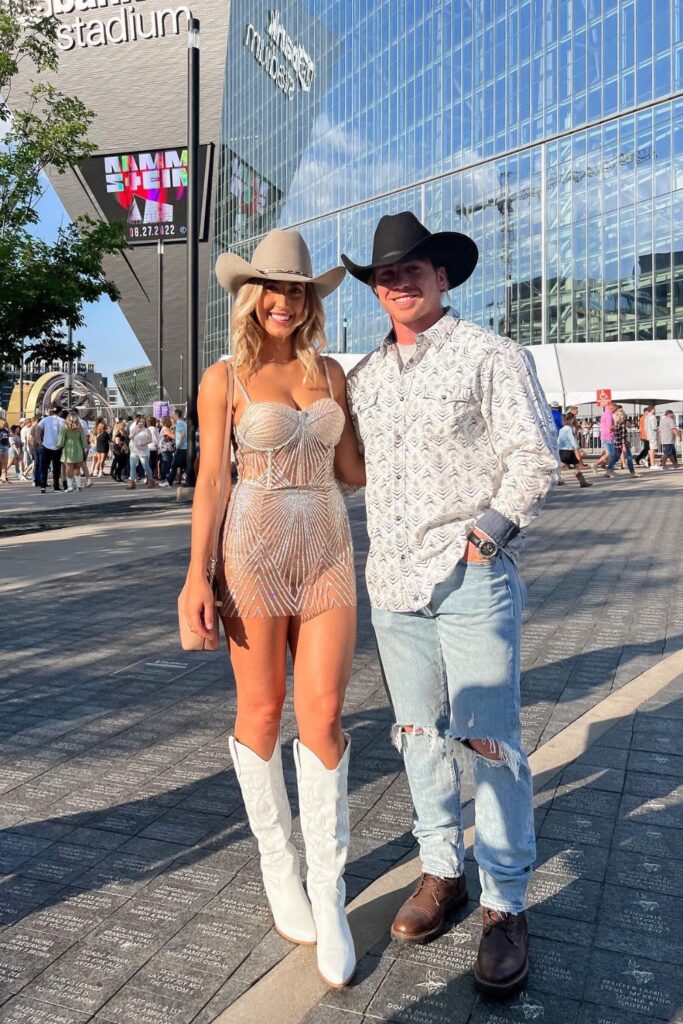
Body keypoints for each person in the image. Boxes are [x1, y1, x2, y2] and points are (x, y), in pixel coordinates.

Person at [343, 212, 558, 998]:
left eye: (413, 269)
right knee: (415, 735)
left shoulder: (490, 356)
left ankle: (504, 903)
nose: (398, 282)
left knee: (487, 741)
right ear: (375, 289)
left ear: (441, 276)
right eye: (385, 275)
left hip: (468, 578)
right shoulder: (363, 376)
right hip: (391, 583)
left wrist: (487, 536)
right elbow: (349, 468)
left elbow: (534, 457)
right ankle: (442, 869)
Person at [183, 229, 365, 988]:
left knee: (321, 718)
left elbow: (351, 470)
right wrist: (196, 575)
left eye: (297, 291)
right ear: (248, 296)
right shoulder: (224, 376)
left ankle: (328, 890)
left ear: (310, 300)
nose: (285, 301)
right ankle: (277, 864)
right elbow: (211, 483)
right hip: (251, 553)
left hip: (327, 549)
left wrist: (359, 416)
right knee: (260, 712)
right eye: (272, 289)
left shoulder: (331, 373)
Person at [558, 414, 592, 487]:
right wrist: (578, 448)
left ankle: (555, 477)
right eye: (575, 419)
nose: (576, 421)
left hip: (562, 450)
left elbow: (559, 440)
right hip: (569, 450)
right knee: (576, 466)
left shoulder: (562, 429)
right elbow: (572, 439)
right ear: (572, 420)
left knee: (562, 465)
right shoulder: (569, 429)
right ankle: (582, 482)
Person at [56, 412, 87, 491]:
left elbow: (61, 440)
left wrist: (59, 446)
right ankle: (78, 485)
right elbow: (83, 439)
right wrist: (84, 448)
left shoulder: (65, 427)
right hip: (78, 447)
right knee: (77, 467)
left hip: (68, 448)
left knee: (69, 467)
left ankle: (70, 487)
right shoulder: (79, 427)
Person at [37, 405, 65, 492]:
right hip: (57, 447)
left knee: (44, 467)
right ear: (60, 412)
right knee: (56, 468)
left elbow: (38, 428)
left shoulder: (46, 419)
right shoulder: (62, 421)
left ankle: (43, 486)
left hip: (46, 446)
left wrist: (39, 441)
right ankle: (56, 486)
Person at [127, 415, 155, 489]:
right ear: (137, 422)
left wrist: (144, 444)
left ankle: (151, 480)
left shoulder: (147, 430)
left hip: (143, 450)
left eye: (143, 422)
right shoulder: (134, 429)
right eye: (140, 422)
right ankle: (132, 483)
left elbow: (150, 440)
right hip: (134, 450)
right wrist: (136, 430)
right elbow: (130, 437)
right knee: (132, 466)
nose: (141, 423)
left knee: (145, 466)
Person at [612, 408, 639, 478]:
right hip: (622, 443)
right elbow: (623, 436)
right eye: (624, 416)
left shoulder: (617, 424)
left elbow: (618, 435)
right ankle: (632, 472)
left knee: (616, 457)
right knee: (629, 457)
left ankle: (609, 468)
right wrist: (624, 445)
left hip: (617, 443)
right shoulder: (623, 425)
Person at [594, 399, 617, 477]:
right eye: (615, 410)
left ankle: (609, 469)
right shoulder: (609, 415)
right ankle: (608, 469)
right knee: (612, 454)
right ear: (612, 408)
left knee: (610, 454)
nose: (615, 412)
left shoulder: (604, 414)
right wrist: (617, 426)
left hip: (605, 435)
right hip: (608, 436)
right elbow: (610, 427)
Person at [166, 409, 188, 486]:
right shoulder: (183, 423)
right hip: (184, 448)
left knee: (174, 465)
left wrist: (178, 444)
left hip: (181, 448)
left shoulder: (180, 423)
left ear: (176, 415)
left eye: (173, 414)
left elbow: (183, 433)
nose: (172, 416)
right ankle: (187, 477)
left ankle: (169, 482)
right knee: (185, 465)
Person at [157, 416, 175, 487]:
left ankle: (164, 478)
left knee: (166, 463)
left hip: (165, 449)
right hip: (166, 449)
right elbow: (173, 436)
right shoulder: (166, 429)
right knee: (166, 464)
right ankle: (164, 479)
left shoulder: (164, 428)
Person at [0, 418, 10, 483]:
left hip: (5, 446)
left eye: (5, 424)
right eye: (3, 423)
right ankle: (1, 476)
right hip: (0, 446)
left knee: (5, 462)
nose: (4, 425)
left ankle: (5, 477)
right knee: (0, 463)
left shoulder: (5, 430)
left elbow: (8, 437)